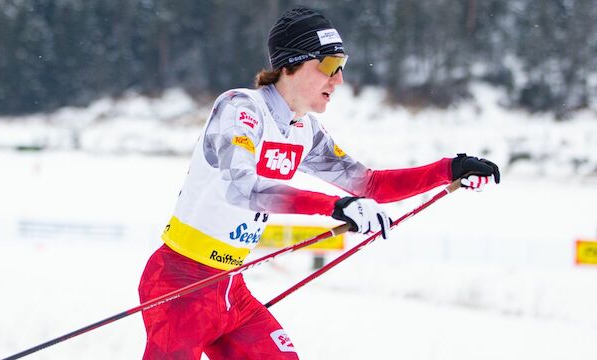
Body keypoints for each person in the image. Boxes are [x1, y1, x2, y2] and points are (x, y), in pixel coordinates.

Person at [138, 7, 500, 360]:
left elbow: (368, 185)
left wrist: (449, 169)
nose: (338, 79)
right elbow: (242, 189)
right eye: (328, 66)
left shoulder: (304, 131)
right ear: (291, 64)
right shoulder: (240, 109)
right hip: (181, 281)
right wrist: (334, 207)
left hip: (232, 287)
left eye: (341, 67)